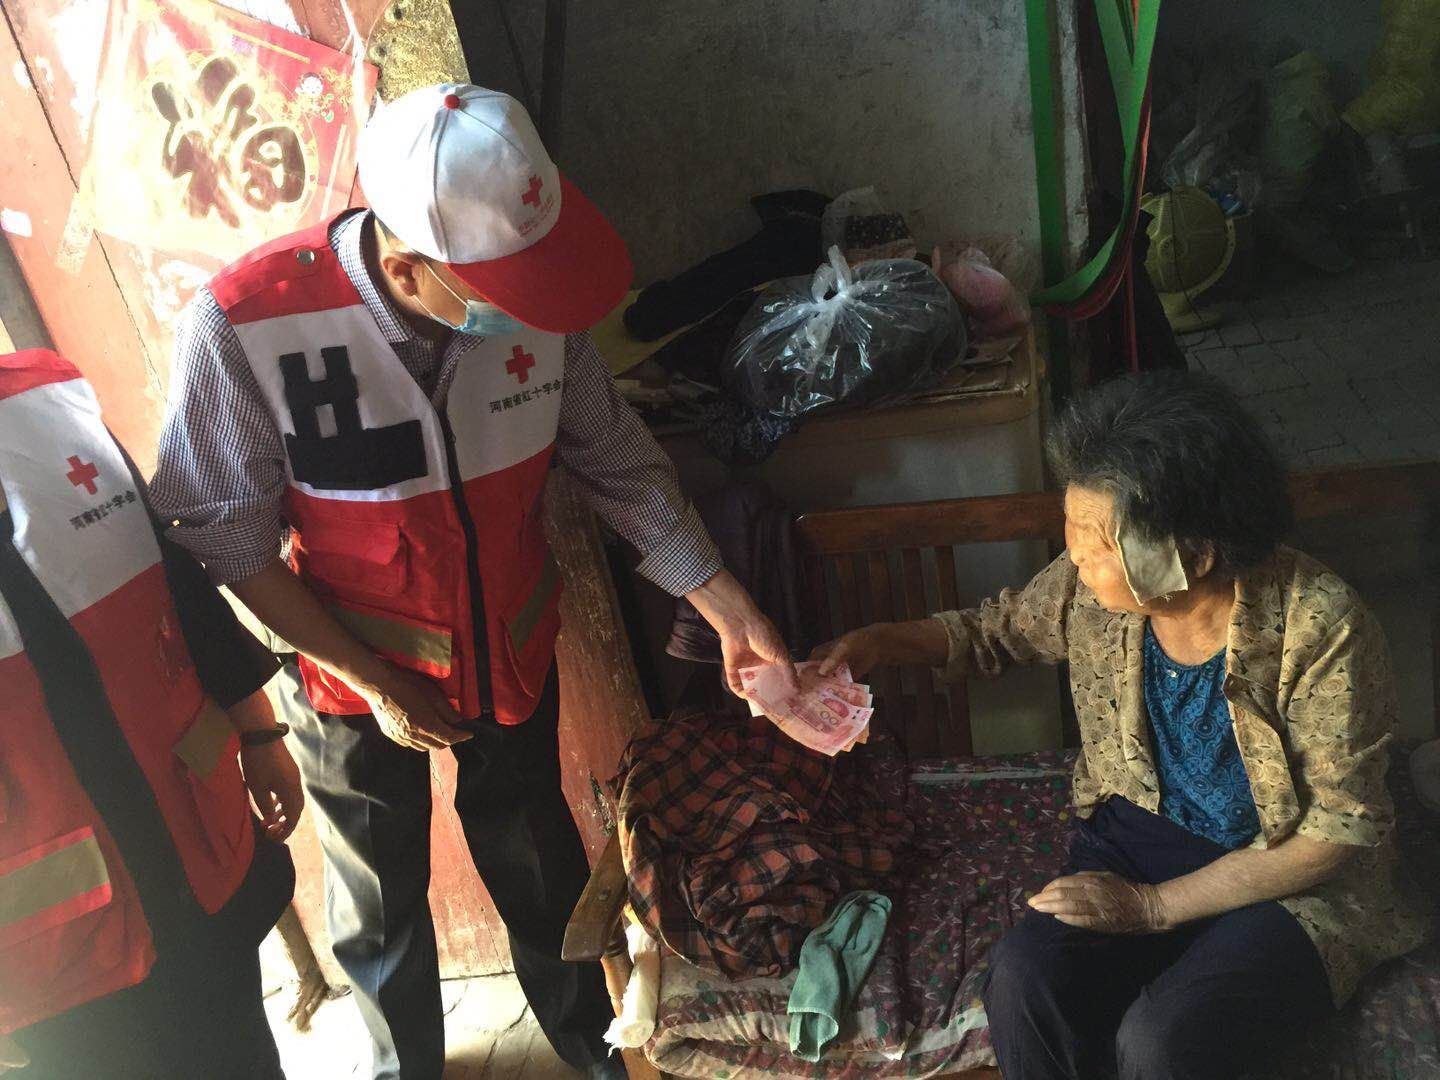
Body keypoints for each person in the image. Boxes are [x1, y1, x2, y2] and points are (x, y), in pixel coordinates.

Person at [150, 83, 791, 1079]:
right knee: (379, 897)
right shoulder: (248, 325)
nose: (532, 314)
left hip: (507, 647)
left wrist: (726, 604)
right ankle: (402, 1067)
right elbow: (224, 542)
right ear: (405, 266)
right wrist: (373, 680)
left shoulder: (541, 304)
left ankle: (595, 1054)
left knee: (539, 861)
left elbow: (620, 467)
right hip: (343, 671)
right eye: (505, 292)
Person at [811, 370, 1433, 1079]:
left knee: (1163, 1038)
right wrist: (877, 643)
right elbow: (995, 631)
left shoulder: (1321, 624)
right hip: (1136, 839)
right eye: (1074, 535)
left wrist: (1153, 907)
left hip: (1284, 872)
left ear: (1194, 554)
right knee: (1024, 980)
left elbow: (1335, 833)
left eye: (1098, 544)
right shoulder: (1088, 592)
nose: (1076, 559)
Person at [0, 349, 302, 1078]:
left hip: (187, 844)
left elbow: (175, 583)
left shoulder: (47, 401)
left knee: (239, 1050)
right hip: (49, 956)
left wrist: (260, 729)